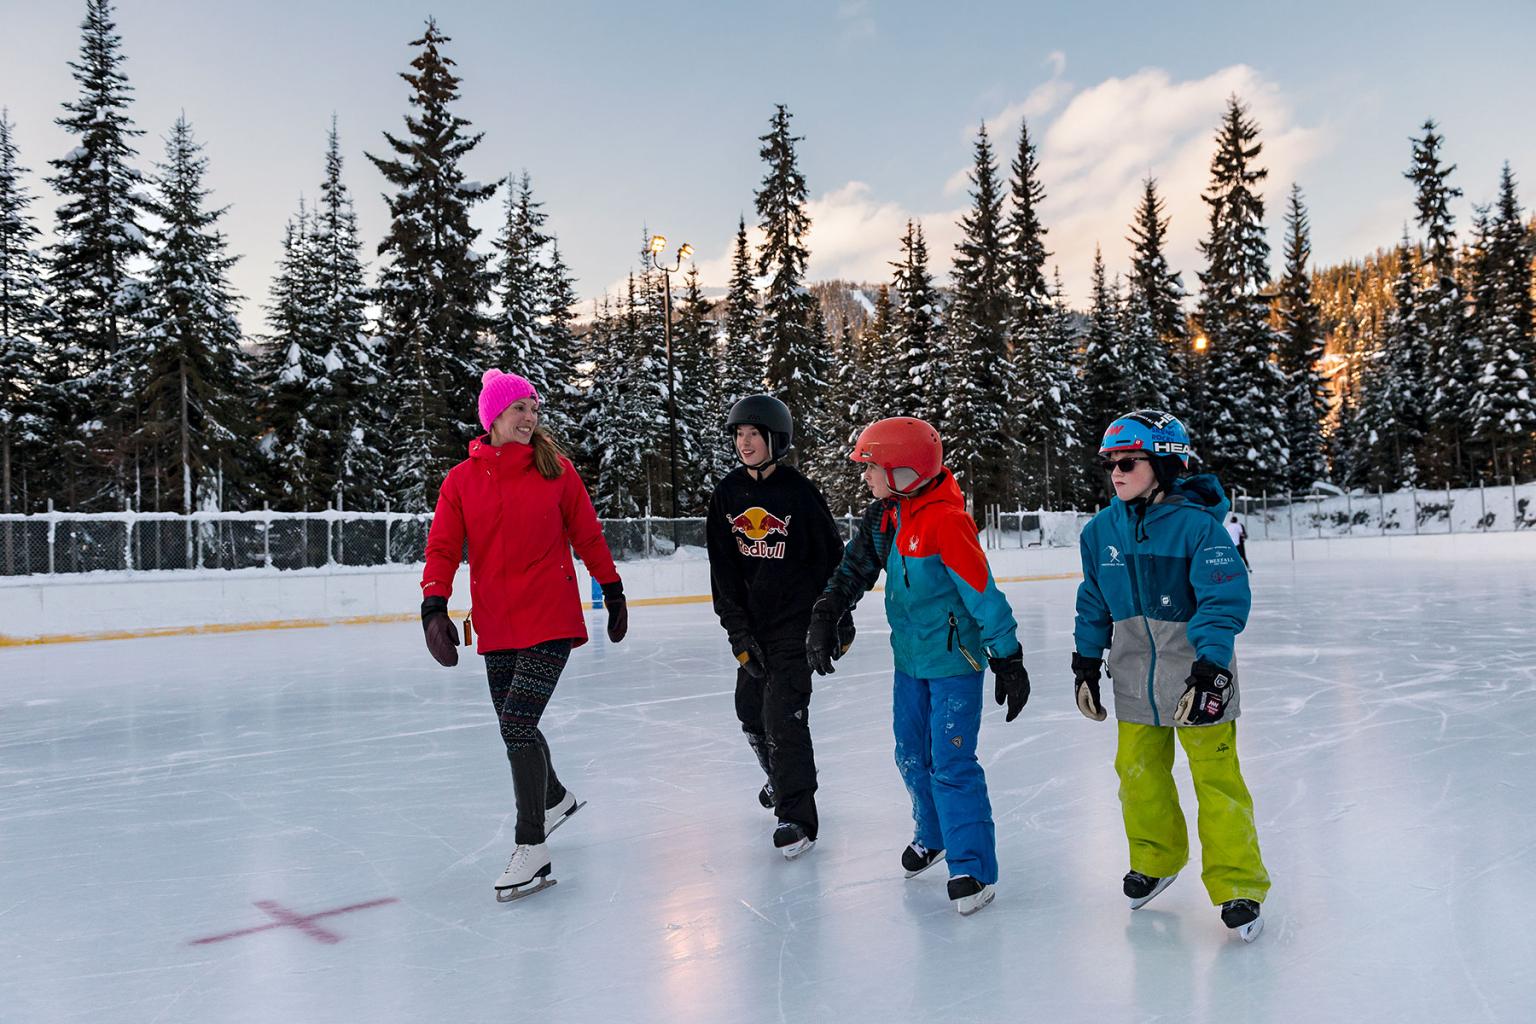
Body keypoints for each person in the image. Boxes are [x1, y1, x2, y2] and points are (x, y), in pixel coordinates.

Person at [806, 417, 1030, 916]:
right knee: (910, 753)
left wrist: (1008, 657)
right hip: (909, 662)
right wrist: (827, 611)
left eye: (871, 467)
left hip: (955, 663)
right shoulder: (886, 517)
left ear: (903, 471)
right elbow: (853, 570)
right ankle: (933, 835)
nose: (864, 476)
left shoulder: (946, 522)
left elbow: (982, 593)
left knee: (951, 762)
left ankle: (973, 866)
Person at [420, 369, 628, 904]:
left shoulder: (555, 471)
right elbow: (443, 547)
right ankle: (554, 798)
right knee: (517, 727)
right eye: (519, 409)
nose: (530, 418)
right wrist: (433, 605)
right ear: (493, 418)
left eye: (534, 409)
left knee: (517, 722)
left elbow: (587, 533)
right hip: (496, 623)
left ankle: (531, 846)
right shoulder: (461, 481)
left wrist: (613, 588)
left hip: (550, 618)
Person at [1072, 409, 1269, 941]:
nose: (1116, 471)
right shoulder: (1101, 530)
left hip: (1198, 679)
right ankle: (1155, 860)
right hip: (1135, 678)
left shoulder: (1198, 527)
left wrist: (1210, 670)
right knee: (1137, 776)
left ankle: (1238, 886)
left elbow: (1223, 600)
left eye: (1128, 461)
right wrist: (1086, 662)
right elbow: (1092, 600)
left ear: (1163, 464)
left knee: (1217, 782)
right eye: (1110, 462)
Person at [706, 394, 848, 859]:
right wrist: (738, 633)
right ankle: (781, 779)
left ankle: (797, 815)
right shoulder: (727, 495)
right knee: (749, 710)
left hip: (796, 626)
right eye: (739, 435)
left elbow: (833, 560)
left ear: (775, 439)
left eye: (754, 434)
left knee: (783, 718)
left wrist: (835, 620)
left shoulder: (800, 494)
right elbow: (723, 573)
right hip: (754, 626)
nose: (745, 443)